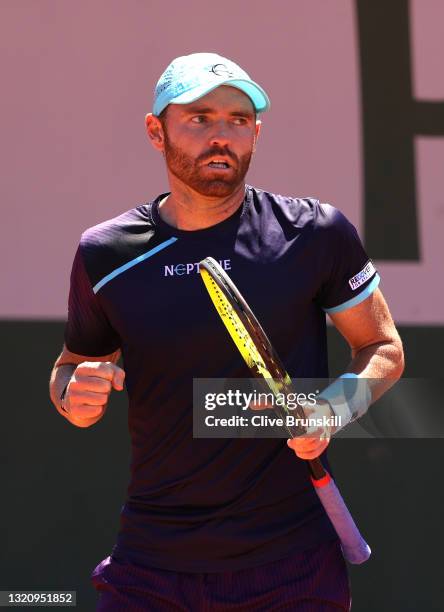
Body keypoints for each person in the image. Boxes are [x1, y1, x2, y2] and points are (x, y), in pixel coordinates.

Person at [49, 52, 404, 611]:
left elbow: (382, 348)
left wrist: (334, 408)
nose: (222, 136)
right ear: (155, 130)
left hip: (294, 570)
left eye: (238, 120)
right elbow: (72, 366)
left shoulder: (315, 233)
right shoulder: (105, 252)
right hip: (149, 566)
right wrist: (75, 396)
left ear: (256, 133)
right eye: (199, 117)